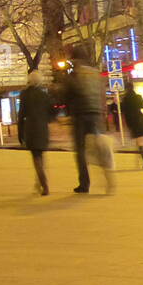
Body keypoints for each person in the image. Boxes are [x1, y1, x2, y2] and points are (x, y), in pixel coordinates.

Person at [58, 46, 105, 193]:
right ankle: (107, 174)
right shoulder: (95, 73)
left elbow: (68, 92)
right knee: (99, 146)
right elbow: (101, 93)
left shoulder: (74, 72)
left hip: (80, 114)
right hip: (96, 114)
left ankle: (84, 183)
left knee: (81, 149)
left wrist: (66, 111)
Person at [16, 70, 55, 196]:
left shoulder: (25, 94)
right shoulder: (44, 95)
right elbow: (53, 111)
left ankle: (44, 185)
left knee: (37, 159)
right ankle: (39, 184)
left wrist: (20, 133)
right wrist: (47, 119)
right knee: (41, 157)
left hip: (31, 129)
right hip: (43, 129)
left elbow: (21, 115)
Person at [119, 83, 143, 169]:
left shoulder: (125, 99)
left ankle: (142, 160)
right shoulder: (138, 97)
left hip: (132, 123)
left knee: (139, 142)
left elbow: (124, 111)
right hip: (140, 120)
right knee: (141, 142)